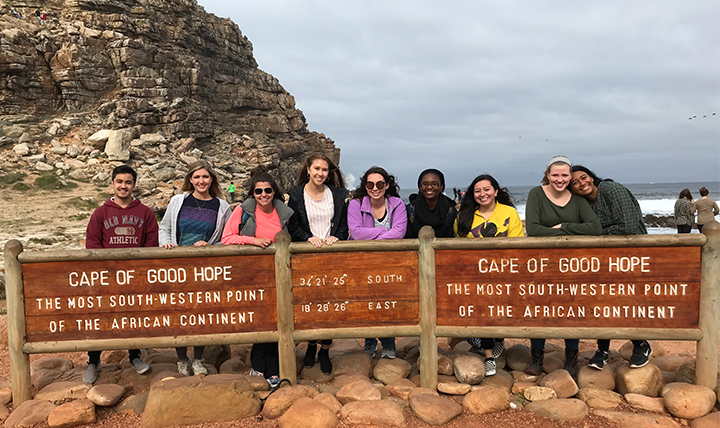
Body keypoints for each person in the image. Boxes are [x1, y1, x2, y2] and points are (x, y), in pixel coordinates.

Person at [524, 155, 601, 377]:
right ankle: (536, 357)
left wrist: (563, 226)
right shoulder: (536, 194)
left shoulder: (577, 200)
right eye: (555, 175)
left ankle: (571, 358)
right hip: (542, 262)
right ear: (547, 175)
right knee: (540, 307)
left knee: (571, 308)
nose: (560, 179)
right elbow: (534, 229)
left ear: (570, 176)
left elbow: (594, 228)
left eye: (564, 175)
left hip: (571, 263)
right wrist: (570, 230)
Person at [570, 165, 652, 369]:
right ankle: (602, 349)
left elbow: (629, 226)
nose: (582, 183)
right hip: (604, 259)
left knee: (627, 301)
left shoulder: (610, 189)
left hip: (632, 255)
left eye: (584, 177)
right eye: (575, 183)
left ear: (591, 177)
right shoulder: (581, 204)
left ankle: (641, 344)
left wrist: (593, 233)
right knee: (600, 302)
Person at [83, 165, 159, 383]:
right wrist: (109, 267)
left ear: (134, 185)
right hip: (107, 276)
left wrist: (138, 268)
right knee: (100, 316)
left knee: (133, 315)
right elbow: (93, 243)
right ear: (113, 183)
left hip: (135, 275)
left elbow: (151, 243)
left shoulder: (145, 212)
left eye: (128, 182)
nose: (123, 186)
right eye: (119, 182)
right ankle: (93, 360)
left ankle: (135, 356)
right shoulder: (101, 212)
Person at [222, 167, 293, 386]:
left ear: (275, 191)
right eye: (258, 191)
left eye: (268, 190)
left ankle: (272, 369)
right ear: (253, 193)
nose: (263, 195)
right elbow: (227, 238)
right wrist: (252, 241)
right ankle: (260, 366)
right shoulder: (243, 211)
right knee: (262, 320)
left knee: (278, 318)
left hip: (279, 274)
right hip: (253, 273)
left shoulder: (284, 213)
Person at [159, 160, 231, 376]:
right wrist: (166, 245)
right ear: (190, 179)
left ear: (212, 180)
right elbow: (165, 228)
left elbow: (226, 238)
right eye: (197, 177)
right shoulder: (178, 201)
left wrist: (210, 246)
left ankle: (198, 359)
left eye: (205, 177)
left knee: (201, 313)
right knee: (179, 313)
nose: (201, 181)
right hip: (178, 265)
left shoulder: (222, 206)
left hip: (204, 268)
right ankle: (181, 359)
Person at [455, 174, 522, 376]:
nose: (482, 194)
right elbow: (457, 246)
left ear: (495, 191)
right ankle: (489, 357)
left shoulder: (509, 212)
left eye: (486, 189)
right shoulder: (465, 215)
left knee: (498, 313)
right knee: (482, 313)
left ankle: (494, 341)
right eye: (477, 191)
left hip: (502, 272)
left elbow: (517, 244)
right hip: (475, 274)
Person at [287, 154, 349, 375]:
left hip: (331, 257)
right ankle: (311, 345)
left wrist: (337, 237)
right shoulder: (295, 194)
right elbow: (293, 225)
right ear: (308, 169)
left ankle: (325, 348)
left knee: (329, 304)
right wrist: (306, 238)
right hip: (306, 257)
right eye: (316, 169)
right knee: (309, 303)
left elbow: (343, 224)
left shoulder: (338, 195)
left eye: (324, 170)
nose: (320, 173)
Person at [348, 166, 407, 359]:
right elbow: (355, 233)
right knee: (367, 301)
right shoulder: (356, 204)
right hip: (363, 262)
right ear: (365, 186)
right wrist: (384, 232)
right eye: (370, 184)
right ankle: (370, 341)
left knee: (387, 301)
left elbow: (400, 232)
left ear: (387, 185)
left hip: (389, 263)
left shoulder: (397, 204)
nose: (375, 188)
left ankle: (389, 342)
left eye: (380, 184)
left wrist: (372, 238)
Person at [405, 168, 457, 238]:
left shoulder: (450, 211)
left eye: (434, 184)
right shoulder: (410, 210)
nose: (429, 187)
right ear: (420, 187)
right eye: (425, 184)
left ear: (441, 187)